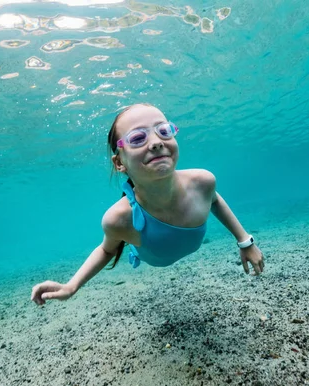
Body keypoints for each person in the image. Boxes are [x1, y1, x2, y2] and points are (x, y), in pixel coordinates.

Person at [31, 104, 264, 305]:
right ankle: (134, 249)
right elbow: (106, 250)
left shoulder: (203, 181)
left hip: (166, 242)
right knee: (131, 238)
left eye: (163, 131)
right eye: (137, 138)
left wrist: (245, 242)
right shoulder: (119, 219)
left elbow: (214, 200)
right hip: (150, 255)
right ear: (119, 162)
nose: (155, 142)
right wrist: (72, 286)